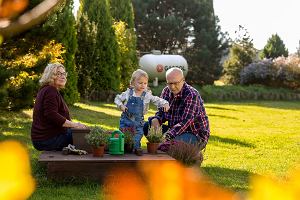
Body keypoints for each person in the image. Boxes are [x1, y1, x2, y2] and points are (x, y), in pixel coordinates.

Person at [144, 67, 210, 151]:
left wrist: (167, 136)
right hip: (174, 131)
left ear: (183, 80)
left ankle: (167, 149)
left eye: (176, 83)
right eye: (169, 83)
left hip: (195, 134)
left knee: (173, 143)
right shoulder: (166, 91)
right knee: (147, 127)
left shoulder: (191, 95)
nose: (172, 87)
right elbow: (161, 113)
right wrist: (156, 119)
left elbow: (185, 122)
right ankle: (163, 148)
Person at [31, 63, 87, 151]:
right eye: (58, 74)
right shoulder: (50, 90)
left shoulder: (48, 89)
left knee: (84, 132)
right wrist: (75, 125)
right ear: (50, 75)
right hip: (48, 139)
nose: (63, 76)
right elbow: (51, 115)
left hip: (47, 138)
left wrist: (75, 126)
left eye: (64, 74)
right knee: (86, 138)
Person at [114, 69, 170, 154]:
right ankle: (124, 150)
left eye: (145, 83)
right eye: (140, 83)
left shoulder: (147, 95)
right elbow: (117, 99)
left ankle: (136, 149)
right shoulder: (128, 93)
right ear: (132, 83)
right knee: (124, 138)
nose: (143, 85)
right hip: (126, 120)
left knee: (137, 136)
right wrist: (121, 105)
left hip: (138, 122)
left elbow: (156, 100)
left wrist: (165, 103)